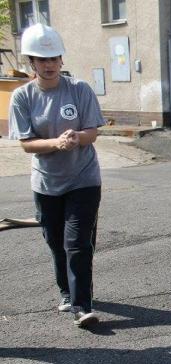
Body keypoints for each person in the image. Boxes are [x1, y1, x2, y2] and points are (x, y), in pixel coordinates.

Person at [9, 24, 106, 328]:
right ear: (31, 62)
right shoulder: (22, 97)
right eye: (42, 59)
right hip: (46, 182)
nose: (49, 64)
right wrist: (56, 143)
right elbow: (26, 144)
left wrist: (77, 137)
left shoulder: (79, 89)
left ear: (62, 59)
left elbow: (92, 132)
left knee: (77, 243)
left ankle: (82, 306)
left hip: (83, 179)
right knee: (55, 241)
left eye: (53, 58)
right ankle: (67, 291)